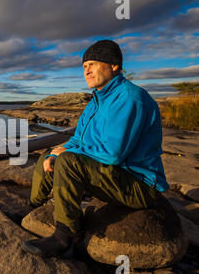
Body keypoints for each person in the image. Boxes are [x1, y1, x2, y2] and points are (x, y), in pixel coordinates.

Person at [21, 39, 170, 258]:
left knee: (68, 162)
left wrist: (67, 155)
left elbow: (113, 153)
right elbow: (78, 140)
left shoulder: (130, 98)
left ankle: (65, 237)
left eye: (93, 63)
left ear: (113, 65)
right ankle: (31, 209)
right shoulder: (95, 102)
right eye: (84, 66)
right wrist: (55, 152)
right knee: (50, 156)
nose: (86, 70)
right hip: (114, 176)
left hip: (138, 183)